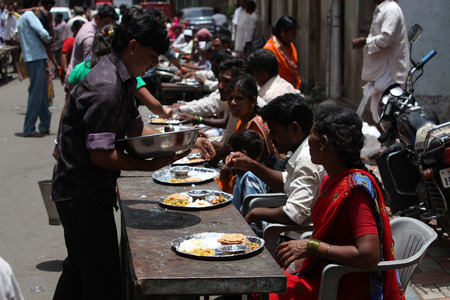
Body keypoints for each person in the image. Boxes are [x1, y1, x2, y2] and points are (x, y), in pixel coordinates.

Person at [51, 9, 190, 299]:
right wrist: (150, 166)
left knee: (79, 271)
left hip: (90, 190)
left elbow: (134, 129)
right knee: (102, 279)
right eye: (152, 56)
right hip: (81, 193)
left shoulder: (123, 78)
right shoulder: (107, 87)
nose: (154, 64)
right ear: (134, 46)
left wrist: (181, 141)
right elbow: (100, 156)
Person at [266, 105, 405, 300]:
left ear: (323, 142)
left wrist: (311, 246)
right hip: (322, 273)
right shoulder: (330, 180)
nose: (308, 144)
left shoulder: (355, 191)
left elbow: (368, 255)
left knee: (261, 292)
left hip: (340, 285)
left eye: (311, 137)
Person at [226, 93, 325, 227]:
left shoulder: (306, 159)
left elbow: (293, 215)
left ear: (294, 128)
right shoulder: (301, 152)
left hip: (293, 238)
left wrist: (256, 212)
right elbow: (286, 181)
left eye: (274, 131)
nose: (271, 138)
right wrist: (251, 165)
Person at [216, 74, 282, 193]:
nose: (233, 103)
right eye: (230, 98)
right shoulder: (241, 121)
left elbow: (253, 166)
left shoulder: (256, 125)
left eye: (239, 99)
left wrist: (230, 169)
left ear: (253, 100)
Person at [352, 0, 409, 124]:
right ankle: (388, 142)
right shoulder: (382, 9)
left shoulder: (391, 9)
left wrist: (366, 41)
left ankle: (394, 142)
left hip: (389, 71)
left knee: (388, 115)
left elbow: (386, 38)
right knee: (378, 113)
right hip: (381, 71)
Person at [17, 0, 52, 137]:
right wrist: (49, 38)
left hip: (32, 57)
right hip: (36, 57)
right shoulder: (29, 16)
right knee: (36, 95)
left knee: (41, 93)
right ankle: (29, 128)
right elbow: (42, 32)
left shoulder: (21, 18)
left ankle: (44, 124)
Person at [64, 4, 118, 90]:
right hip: (79, 82)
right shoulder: (89, 36)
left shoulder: (90, 26)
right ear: (98, 18)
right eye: (106, 23)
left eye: (112, 24)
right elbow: (92, 65)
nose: (109, 28)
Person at [228, 129, 267, 211]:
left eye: (232, 153)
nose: (229, 157)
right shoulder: (243, 174)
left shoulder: (250, 178)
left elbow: (251, 208)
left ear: (242, 154)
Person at [264, 15, 301, 89]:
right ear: (282, 32)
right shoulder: (269, 49)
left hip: (290, 89)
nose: (295, 35)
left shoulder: (290, 46)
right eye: (293, 32)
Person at [59, 19, 85, 86]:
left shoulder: (82, 40)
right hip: (72, 72)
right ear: (74, 29)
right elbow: (64, 55)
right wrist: (65, 70)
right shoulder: (70, 40)